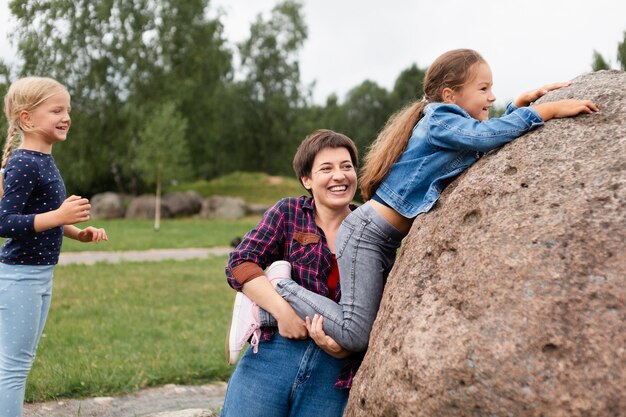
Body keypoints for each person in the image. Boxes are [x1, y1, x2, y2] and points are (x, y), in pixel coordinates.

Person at [227, 49, 599, 357]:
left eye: (493, 90)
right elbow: (485, 136)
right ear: (450, 95)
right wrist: (543, 111)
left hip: (380, 239)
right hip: (367, 235)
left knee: (356, 327)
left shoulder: (448, 123)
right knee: (356, 335)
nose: (490, 97)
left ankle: (296, 302)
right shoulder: (440, 119)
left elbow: (483, 136)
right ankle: (282, 287)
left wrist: (517, 106)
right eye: (483, 88)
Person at [222, 129, 361, 417]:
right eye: (327, 168)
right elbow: (240, 262)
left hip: (334, 369)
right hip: (274, 353)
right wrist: (283, 313)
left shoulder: (367, 228)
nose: (339, 176)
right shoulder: (289, 213)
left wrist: (345, 349)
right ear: (306, 180)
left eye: (346, 166)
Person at [0, 76, 108, 417]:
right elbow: (4, 223)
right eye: (56, 110)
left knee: (20, 361)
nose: (66, 117)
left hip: (38, 276)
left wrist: (77, 232)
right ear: (27, 118)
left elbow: (39, 217)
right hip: (20, 278)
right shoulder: (24, 162)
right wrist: (59, 214)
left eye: (68, 110)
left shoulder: (43, 159)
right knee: (14, 367)